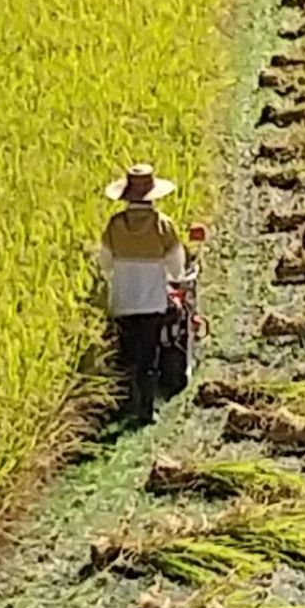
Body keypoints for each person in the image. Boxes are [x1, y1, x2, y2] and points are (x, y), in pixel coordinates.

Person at [100, 162, 185, 425]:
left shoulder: (114, 225)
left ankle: (125, 404)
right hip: (152, 303)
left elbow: (105, 264)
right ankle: (146, 411)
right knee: (148, 357)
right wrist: (173, 280)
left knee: (127, 354)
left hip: (122, 302)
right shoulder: (162, 226)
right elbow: (176, 267)